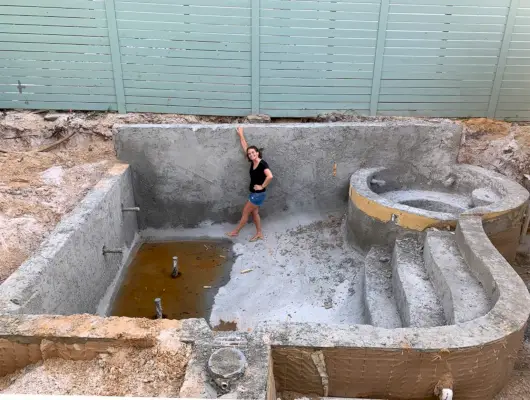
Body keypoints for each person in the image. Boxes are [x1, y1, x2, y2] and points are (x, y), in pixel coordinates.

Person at [227, 127, 273, 241]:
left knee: (245, 213)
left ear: (257, 153)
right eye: (249, 153)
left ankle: (235, 232)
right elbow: (245, 146)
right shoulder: (253, 161)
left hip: (257, 195)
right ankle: (259, 233)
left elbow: (270, 176)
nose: (251, 154)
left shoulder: (262, 164)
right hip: (256, 194)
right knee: (255, 213)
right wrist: (241, 134)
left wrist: (262, 186)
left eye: (253, 152)